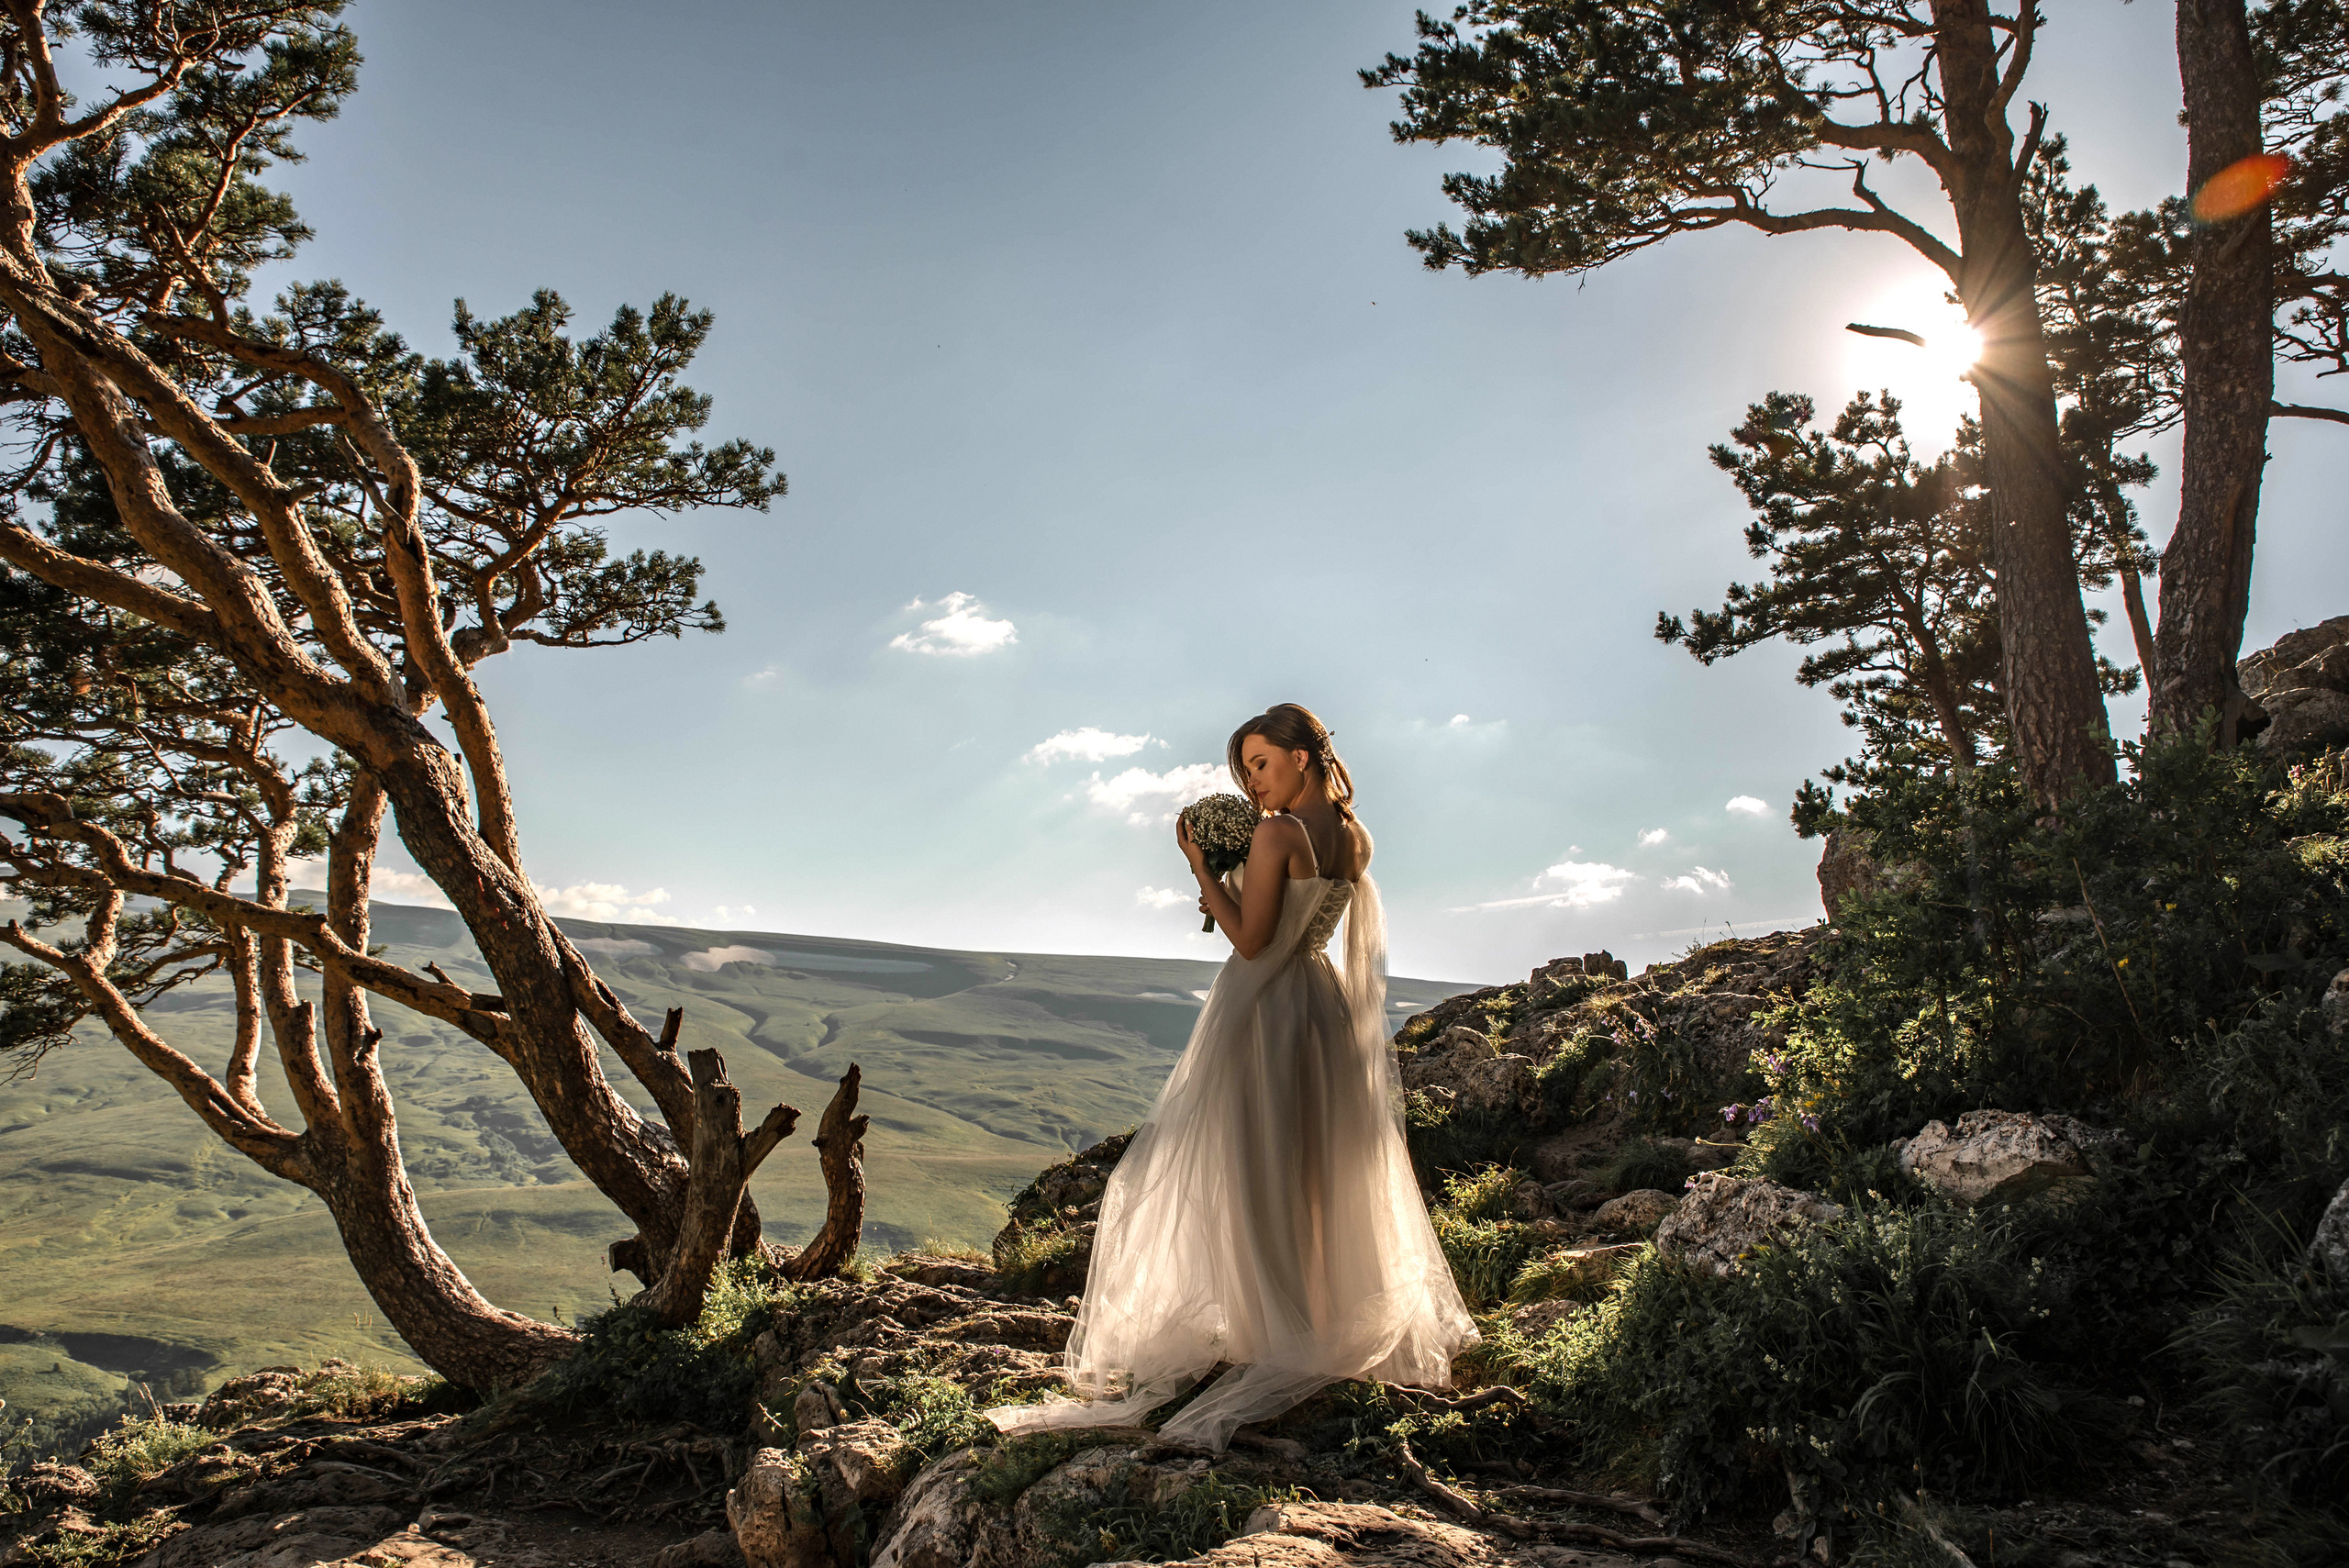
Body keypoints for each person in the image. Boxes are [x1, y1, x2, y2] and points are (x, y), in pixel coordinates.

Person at [980, 703, 1478, 1452]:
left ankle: (1277, 1333)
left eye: (1262, 763)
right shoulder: (1355, 834)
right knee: (1318, 1168)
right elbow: (1311, 930)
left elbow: (1251, 941)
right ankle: (1314, 1318)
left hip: (1267, 1011)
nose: (1253, 782)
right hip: (1323, 1009)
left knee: (1254, 1169)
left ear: (1303, 757)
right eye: (1245, 769)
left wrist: (1203, 870)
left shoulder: (1279, 833)